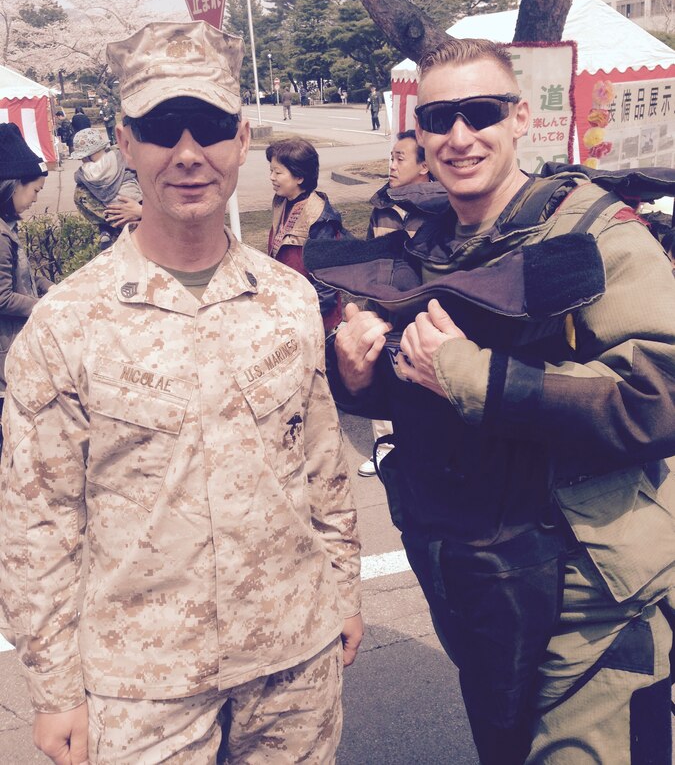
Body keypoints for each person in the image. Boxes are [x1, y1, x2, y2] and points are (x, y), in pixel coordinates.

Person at [0, 20, 362, 765]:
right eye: (163, 128)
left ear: (242, 137)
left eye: (208, 127)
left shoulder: (289, 299)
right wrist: (55, 687)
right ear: (126, 144)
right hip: (142, 686)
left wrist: (342, 590)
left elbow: (323, 465)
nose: (188, 153)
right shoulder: (67, 324)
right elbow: (38, 525)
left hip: (294, 657)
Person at [308, 37, 675, 764]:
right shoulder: (427, 246)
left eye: (479, 112)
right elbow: (419, 384)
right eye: (439, 117)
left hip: (589, 597)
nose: (458, 136)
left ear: (518, 119)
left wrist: (472, 375)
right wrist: (359, 373)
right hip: (477, 583)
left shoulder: (595, 234)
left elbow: (657, 398)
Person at [359, 130, 448, 477]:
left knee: (423, 382)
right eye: (390, 158)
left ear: (424, 165)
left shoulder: (442, 209)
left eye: (400, 158)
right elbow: (370, 256)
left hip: (423, 314)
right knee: (383, 373)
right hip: (384, 308)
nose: (391, 166)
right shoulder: (381, 206)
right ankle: (384, 447)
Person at [0, 123, 52, 451]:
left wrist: (52, 287)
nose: (35, 200)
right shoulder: (1, 236)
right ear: (13, 185)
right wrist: (43, 305)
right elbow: (2, 296)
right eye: (34, 191)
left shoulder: (8, 228)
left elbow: (25, 275)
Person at [268, 137, 348, 334]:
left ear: (299, 177)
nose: (272, 177)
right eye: (271, 171)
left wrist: (302, 323)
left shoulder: (320, 219)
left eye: (278, 172)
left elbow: (326, 286)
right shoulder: (281, 203)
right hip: (288, 314)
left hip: (311, 324)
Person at [72, 128, 142, 248]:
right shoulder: (121, 157)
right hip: (139, 209)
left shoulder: (83, 185)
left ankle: (105, 232)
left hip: (120, 233)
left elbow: (77, 177)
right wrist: (141, 210)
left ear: (85, 157)